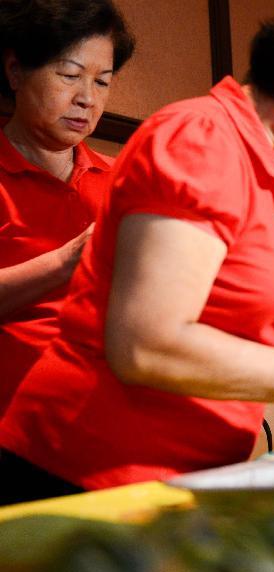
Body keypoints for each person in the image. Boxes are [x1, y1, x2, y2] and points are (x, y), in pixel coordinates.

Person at [0, 0, 274, 505]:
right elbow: (148, 344)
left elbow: (245, 339)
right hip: (81, 473)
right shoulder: (201, 140)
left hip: (176, 479)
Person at [0, 0, 134, 414]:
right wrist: (67, 261)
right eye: (70, 75)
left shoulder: (124, 180)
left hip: (119, 407)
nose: (87, 99)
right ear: (16, 71)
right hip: (19, 417)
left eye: (103, 82)